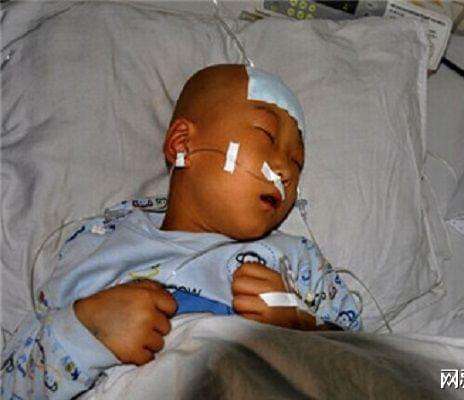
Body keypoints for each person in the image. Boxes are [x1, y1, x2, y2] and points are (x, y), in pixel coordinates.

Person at [1, 64, 361, 399]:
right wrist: (86, 332)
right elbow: (12, 385)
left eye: (297, 161)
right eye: (265, 135)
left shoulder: (296, 263)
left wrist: (300, 330)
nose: (284, 169)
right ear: (182, 143)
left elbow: (365, 370)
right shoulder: (96, 245)